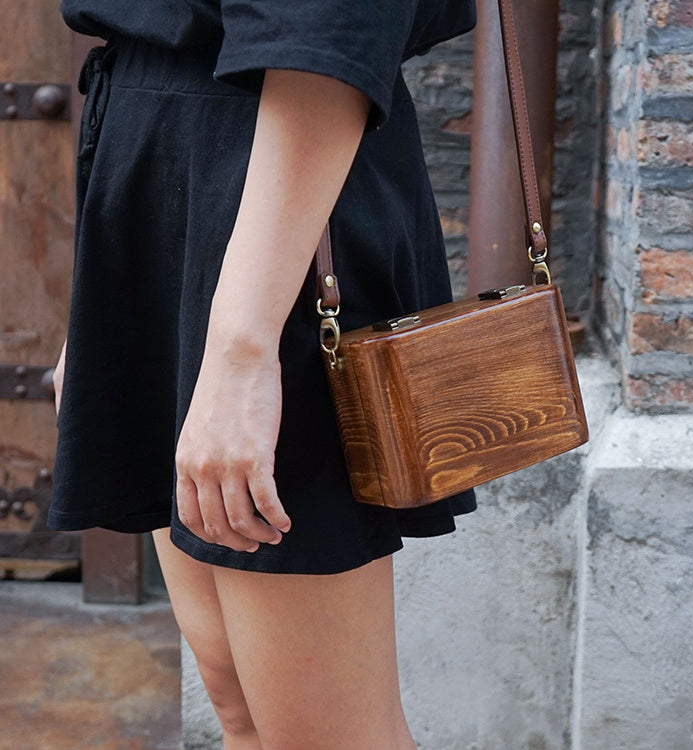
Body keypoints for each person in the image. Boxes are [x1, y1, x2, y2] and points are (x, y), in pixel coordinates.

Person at [48, 2, 478, 748]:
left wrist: (242, 356)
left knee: (324, 736)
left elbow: (330, 31)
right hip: (163, 164)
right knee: (237, 701)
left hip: (272, 211)